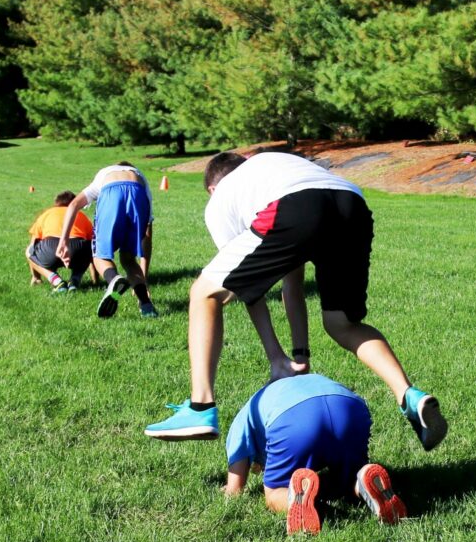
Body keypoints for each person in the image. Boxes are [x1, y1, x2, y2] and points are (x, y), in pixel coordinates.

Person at [144, 151, 447, 452]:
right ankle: (408, 395)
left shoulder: (220, 201)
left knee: (203, 293)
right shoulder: (271, 168)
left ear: (212, 189)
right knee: (341, 323)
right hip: (351, 204)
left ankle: (200, 406)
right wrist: (299, 356)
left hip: (294, 205)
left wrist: (276, 357)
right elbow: (293, 282)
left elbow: (248, 289)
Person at [202, 373, 408, 535]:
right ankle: (362, 482)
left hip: (293, 419)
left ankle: (298, 501)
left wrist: (230, 488)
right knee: (346, 477)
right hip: (349, 406)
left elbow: (235, 489)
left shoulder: (244, 416)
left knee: (274, 492)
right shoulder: (280, 391)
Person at [56, 161, 157, 318]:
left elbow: (74, 204)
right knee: (129, 260)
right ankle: (146, 306)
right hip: (139, 194)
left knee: (99, 256)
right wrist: (144, 276)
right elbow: (147, 233)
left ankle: (113, 279)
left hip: (111, 191)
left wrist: (63, 240)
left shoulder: (105, 173)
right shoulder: (140, 176)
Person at [26, 191, 94, 292]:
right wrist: (95, 280)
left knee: (29, 252)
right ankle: (75, 280)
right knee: (87, 250)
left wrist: (36, 276)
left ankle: (55, 280)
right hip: (79, 248)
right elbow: (93, 248)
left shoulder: (47, 213)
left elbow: (33, 245)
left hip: (50, 247)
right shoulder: (81, 215)